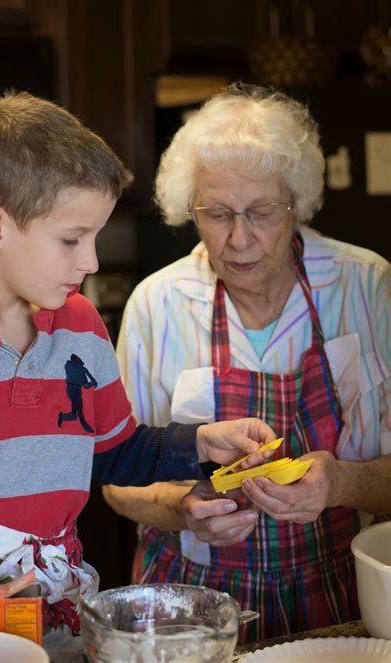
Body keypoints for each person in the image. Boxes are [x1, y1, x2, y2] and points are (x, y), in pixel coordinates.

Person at [0, 92, 277, 659]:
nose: (92, 261)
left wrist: (202, 442)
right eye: (71, 239)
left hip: (62, 637)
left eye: (96, 237)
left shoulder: (81, 327)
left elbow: (113, 453)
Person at [103, 83, 391, 643]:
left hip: (339, 598)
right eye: (215, 214)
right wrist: (181, 506)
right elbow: (114, 481)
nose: (237, 239)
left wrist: (343, 483)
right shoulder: (157, 304)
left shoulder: (369, 288)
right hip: (186, 610)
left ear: (297, 204)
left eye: (260, 212)